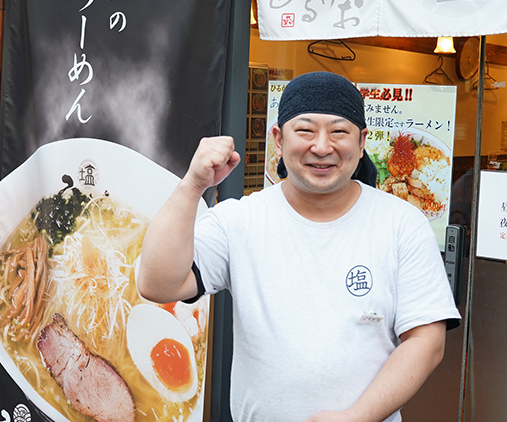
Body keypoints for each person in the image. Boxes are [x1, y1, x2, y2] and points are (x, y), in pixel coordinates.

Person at [138, 71, 460, 422]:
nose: (322, 147)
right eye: (305, 131)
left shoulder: (401, 223)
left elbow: (427, 343)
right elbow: (158, 284)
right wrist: (192, 186)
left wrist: (355, 417)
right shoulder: (241, 220)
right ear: (278, 138)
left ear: (362, 140)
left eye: (339, 131)